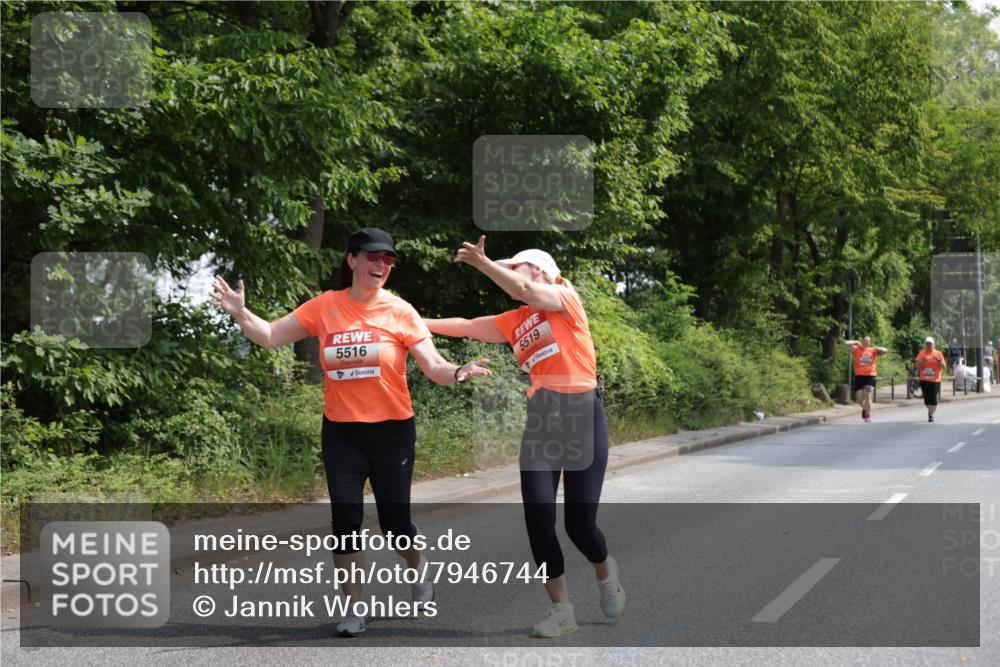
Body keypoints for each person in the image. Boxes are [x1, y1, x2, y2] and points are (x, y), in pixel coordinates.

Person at [210, 227, 490, 637]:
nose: (382, 265)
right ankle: (355, 607)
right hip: (341, 433)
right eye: (374, 257)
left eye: (388, 260)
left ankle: (418, 571)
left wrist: (458, 372)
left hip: (392, 431)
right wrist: (239, 314)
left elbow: (434, 366)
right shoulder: (326, 306)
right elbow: (270, 336)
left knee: (396, 524)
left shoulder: (400, 311)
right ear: (352, 260)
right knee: (345, 518)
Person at [424, 236, 625, 638]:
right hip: (542, 421)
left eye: (516, 266)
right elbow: (463, 327)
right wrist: (408, 320)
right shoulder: (516, 321)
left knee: (580, 528)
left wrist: (481, 263)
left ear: (540, 270)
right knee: (537, 519)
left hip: (582, 414)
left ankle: (607, 574)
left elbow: (525, 289)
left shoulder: (564, 298)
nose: (512, 273)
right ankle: (561, 611)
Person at [844, 336, 888, 422]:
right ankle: (864, 408)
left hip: (870, 376)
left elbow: (885, 350)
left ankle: (868, 415)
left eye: (868, 341)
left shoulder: (872, 350)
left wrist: (876, 347)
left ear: (869, 343)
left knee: (868, 396)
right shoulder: (856, 349)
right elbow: (846, 344)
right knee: (859, 398)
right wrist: (856, 342)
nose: (866, 342)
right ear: (862, 341)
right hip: (859, 376)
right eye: (865, 340)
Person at [914, 336, 946, 422]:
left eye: (930, 344)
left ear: (934, 344)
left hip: (935, 380)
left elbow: (944, 366)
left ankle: (931, 414)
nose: (928, 345)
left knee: (933, 399)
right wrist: (922, 361)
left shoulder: (938, 353)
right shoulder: (922, 353)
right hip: (924, 379)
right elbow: (916, 366)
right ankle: (930, 411)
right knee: (926, 400)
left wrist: (938, 360)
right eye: (927, 343)